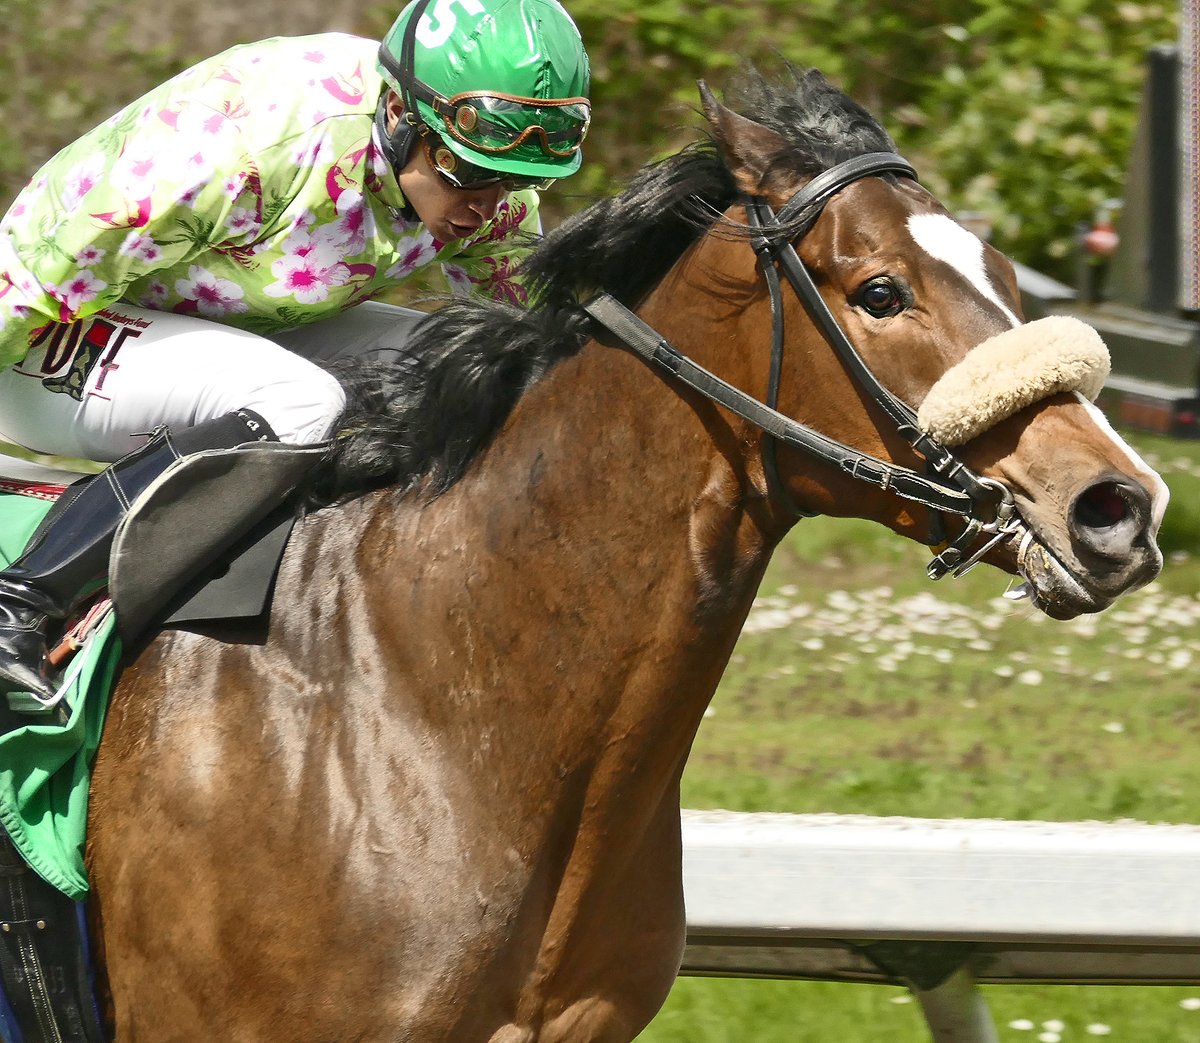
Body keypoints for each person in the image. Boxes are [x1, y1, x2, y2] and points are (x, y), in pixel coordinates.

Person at [0, 0, 591, 699]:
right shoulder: (248, 144)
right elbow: (32, 279)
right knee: (302, 401)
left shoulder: (488, 185)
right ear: (400, 117)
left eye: (521, 179)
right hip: (50, 325)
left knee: (466, 362)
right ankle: (22, 600)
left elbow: (529, 347)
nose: (491, 204)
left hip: (227, 325)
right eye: (467, 172)